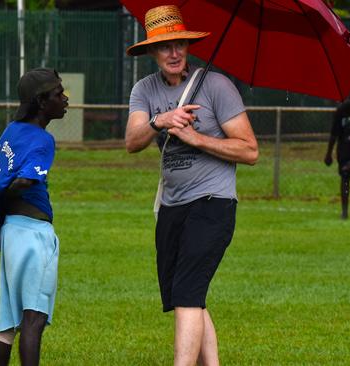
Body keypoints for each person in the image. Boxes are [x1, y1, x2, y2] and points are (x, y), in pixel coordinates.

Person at [124, 5, 258, 366]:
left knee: (187, 292)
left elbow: (250, 150)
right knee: (187, 294)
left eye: (180, 44)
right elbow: (132, 141)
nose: (174, 52)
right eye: (165, 46)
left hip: (213, 203)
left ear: (188, 46)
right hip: (171, 205)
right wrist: (161, 120)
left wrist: (198, 139)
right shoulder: (145, 90)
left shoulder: (216, 86)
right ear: (152, 51)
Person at [0, 68, 68, 366]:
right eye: (59, 93)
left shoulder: (11, 131)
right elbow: (26, 181)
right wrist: (6, 191)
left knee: (7, 324)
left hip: (10, 232)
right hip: (33, 235)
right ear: (42, 102)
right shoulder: (43, 140)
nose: (65, 98)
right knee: (34, 319)